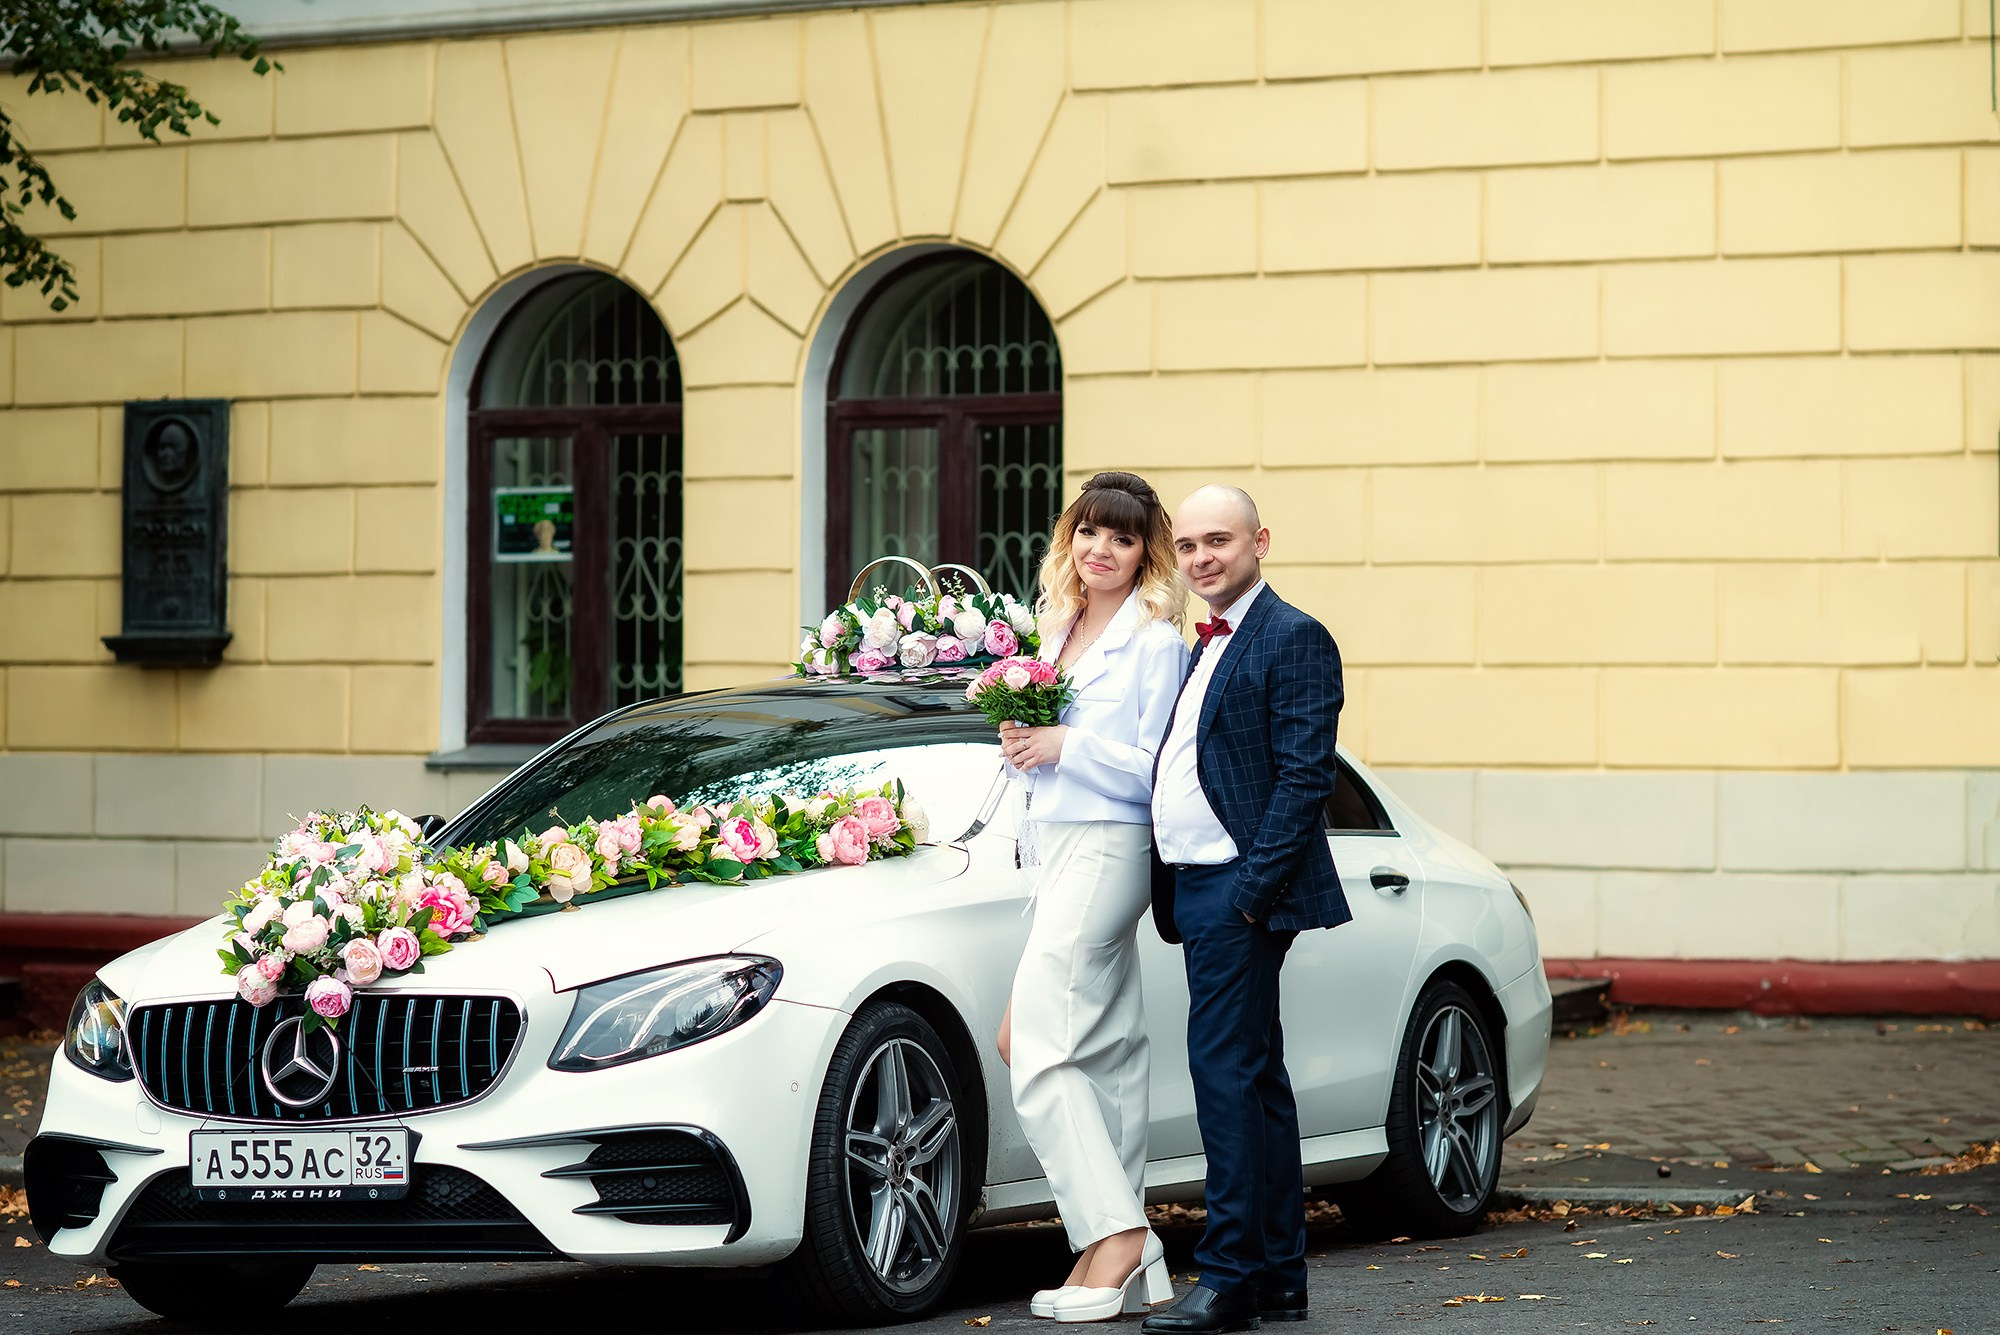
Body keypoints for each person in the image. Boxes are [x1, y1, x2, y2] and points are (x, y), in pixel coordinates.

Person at [1140, 485, 1347, 1335]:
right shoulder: (1202, 648)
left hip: (1239, 888)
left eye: (1217, 541)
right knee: (1256, 1080)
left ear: (1260, 540)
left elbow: (1307, 777)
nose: (1201, 559)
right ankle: (1277, 1275)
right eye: (1186, 547)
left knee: (1224, 1076)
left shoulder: (1293, 636)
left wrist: (1254, 895)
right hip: (1200, 885)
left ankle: (1226, 1275)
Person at [994, 471, 1191, 1323]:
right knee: (1105, 1050)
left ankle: (1113, 1231)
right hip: (1056, 846)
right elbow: (1046, 755)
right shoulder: (1057, 627)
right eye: (1087, 532)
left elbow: (1158, 765)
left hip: (1113, 847)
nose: (1100, 550)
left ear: (1146, 550)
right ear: (1068, 538)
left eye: (1120, 536)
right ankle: (1127, 1252)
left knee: (1031, 1041)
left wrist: (1066, 741)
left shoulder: (1155, 639)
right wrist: (1024, 748)